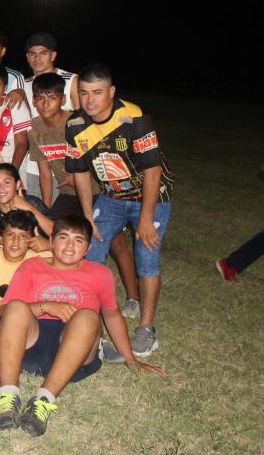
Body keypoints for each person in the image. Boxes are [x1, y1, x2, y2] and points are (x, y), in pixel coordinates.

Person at [0, 215, 166, 437]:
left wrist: (130, 360)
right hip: (31, 346)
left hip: (76, 352)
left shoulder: (100, 274)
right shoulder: (31, 266)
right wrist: (46, 306)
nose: (69, 245)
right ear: (51, 241)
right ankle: (9, 396)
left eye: (78, 240)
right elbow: (5, 313)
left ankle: (43, 401)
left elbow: (112, 315)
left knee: (88, 317)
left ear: (88, 248)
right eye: (63, 237)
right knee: (16, 307)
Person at [67, 63, 175, 357]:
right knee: (90, 252)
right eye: (84, 93)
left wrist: (145, 219)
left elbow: (153, 171)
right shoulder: (76, 124)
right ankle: (90, 323)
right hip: (111, 197)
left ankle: (146, 329)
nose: (90, 100)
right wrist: (87, 216)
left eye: (97, 92)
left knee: (147, 258)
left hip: (151, 197)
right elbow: (80, 173)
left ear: (111, 92)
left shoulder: (133, 117)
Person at [29, 73, 140, 315]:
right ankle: (63, 290)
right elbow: (45, 175)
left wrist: (84, 174)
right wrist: (46, 210)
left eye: (52, 97)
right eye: (39, 98)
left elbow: (101, 154)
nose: (45, 104)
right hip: (68, 194)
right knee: (53, 236)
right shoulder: (35, 129)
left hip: (97, 190)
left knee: (115, 242)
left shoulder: (76, 122)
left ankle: (133, 297)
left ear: (63, 99)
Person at [22, 32, 79, 197]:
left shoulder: (70, 80)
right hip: (36, 165)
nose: (37, 58)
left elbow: (85, 124)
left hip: (67, 166)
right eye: (33, 54)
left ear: (53, 55)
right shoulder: (23, 85)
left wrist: (79, 167)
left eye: (43, 53)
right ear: (27, 57)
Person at [0, 164, 54, 247]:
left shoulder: (33, 203)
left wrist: (29, 208)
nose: (1, 188)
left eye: (7, 183)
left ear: (17, 185)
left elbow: (57, 234)